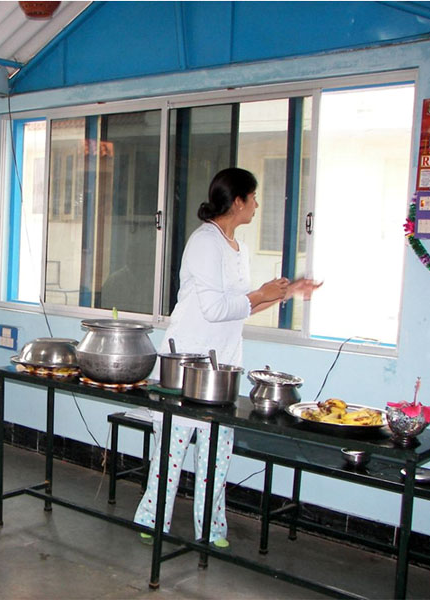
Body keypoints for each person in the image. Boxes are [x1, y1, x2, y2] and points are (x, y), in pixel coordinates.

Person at [134, 167, 320, 547]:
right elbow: (216, 309)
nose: (256, 204)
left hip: (223, 363)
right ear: (237, 201)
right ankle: (153, 520)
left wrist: (285, 293)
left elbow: (240, 309)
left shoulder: (239, 248)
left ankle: (211, 527)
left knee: (217, 455)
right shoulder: (204, 242)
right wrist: (262, 291)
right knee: (172, 449)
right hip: (187, 358)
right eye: (253, 197)